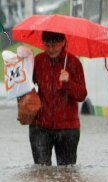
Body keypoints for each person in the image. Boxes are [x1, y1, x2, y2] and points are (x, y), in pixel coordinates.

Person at [28, 31, 87, 166]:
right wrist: (22, 64)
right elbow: (25, 86)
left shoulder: (74, 63)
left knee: (66, 174)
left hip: (68, 129)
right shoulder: (38, 61)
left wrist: (68, 82)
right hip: (40, 126)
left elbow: (82, 95)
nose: (50, 49)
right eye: (47, 45)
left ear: (63, 43)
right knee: (41, 172)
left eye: (54, 45)